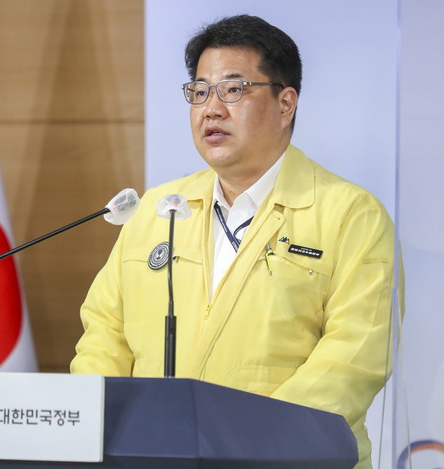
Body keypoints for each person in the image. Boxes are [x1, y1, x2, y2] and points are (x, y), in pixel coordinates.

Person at [71, 14, 397, 469]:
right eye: (200, 91)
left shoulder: (350, 214)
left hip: (287, 462)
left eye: (233, 89)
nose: (212, 109)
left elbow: (354, 358)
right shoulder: (158, 210)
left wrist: (249, 446)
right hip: (153, 457)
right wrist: (98, 429)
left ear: (286, 103)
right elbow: (104, 335)